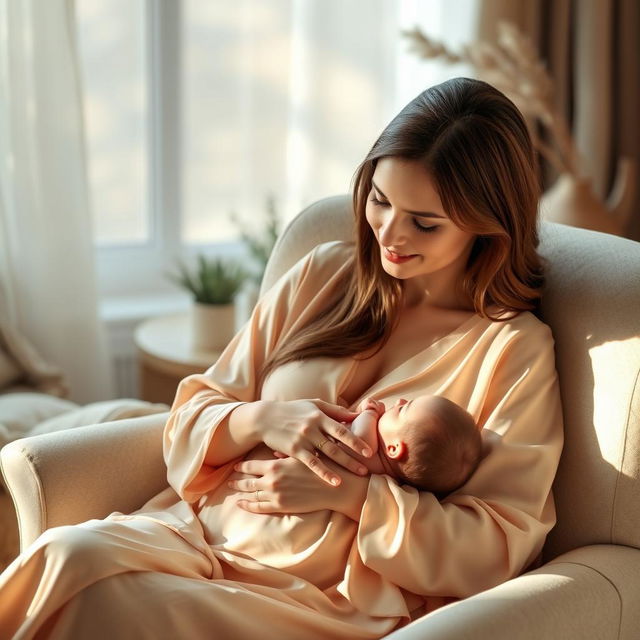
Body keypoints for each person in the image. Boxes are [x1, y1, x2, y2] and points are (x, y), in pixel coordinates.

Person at [0, 77, 563, 639]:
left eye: (424, 222)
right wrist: (263, 418)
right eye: (380, 200)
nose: (389, 233)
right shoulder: (324, 274)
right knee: (64, 555)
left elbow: (498, 544)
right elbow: (191, 417)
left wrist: (351, 496)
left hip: (318, 597)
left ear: (487, 226)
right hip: (196, 537)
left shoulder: (513, 350)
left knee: (117, 605)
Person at [334, 395, 482, 493]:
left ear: (394, 448)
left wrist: (370, 412)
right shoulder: (392, 483)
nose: (400, 401)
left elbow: (355, 440)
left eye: (402, 409)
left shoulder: (367, 446)